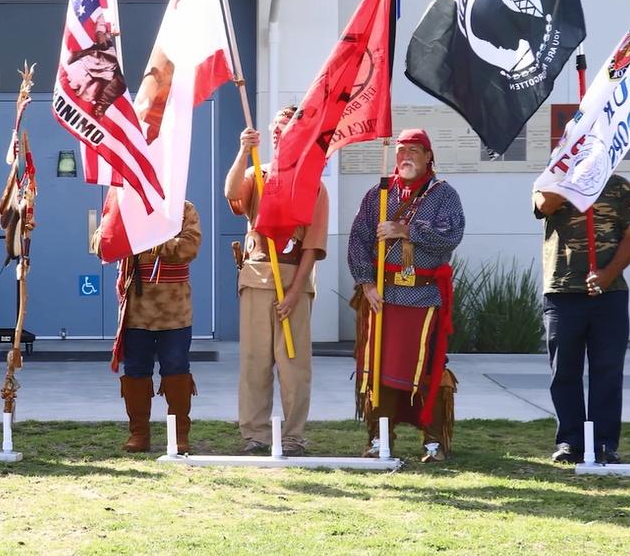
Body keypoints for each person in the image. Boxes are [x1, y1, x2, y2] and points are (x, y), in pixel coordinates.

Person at [348, 129, 464, 463]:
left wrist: (406, 230)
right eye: (401, 151)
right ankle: (378, 436)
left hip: (424, 297)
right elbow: (358, 239)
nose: (406, 157)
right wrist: (366, 283)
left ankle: (433, 441)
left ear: (429, 156)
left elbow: (450, 235)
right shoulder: (378, 195)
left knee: (427, 367)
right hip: (382, 297)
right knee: (379, 366)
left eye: (414, 150)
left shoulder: (444, 195)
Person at [223, 105, 328, 457]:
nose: (281, 134)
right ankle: (255, 435)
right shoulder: (259, 174)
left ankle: (294, 436)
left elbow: (312, 247)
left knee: (294, 365)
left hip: (293, 279)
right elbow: (232, 195)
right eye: (276, 130)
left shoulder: (312, 183)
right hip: (256, 277)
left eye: (288, 128)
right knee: (254, 361)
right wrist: (241, 151)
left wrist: (295, 293)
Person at [534, 176, 630, 464]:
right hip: (562, 292)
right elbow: (545, 205)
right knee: (564, 371)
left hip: (609, 293)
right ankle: (571, 442)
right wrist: (572, 179)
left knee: (607, 371)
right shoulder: (551, 180)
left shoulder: (621, 187)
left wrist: (608, 274)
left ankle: (605, 443)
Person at [96, 201, 201, 454]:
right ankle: (139, 434)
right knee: (135, 370)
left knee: (176, 367)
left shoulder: (183, 209)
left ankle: (179, 436)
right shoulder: (125, 207)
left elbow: (189, 247)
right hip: (136, 310)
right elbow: (100, 245)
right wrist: (122, 232)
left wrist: (151, 242)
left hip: (175, 310)